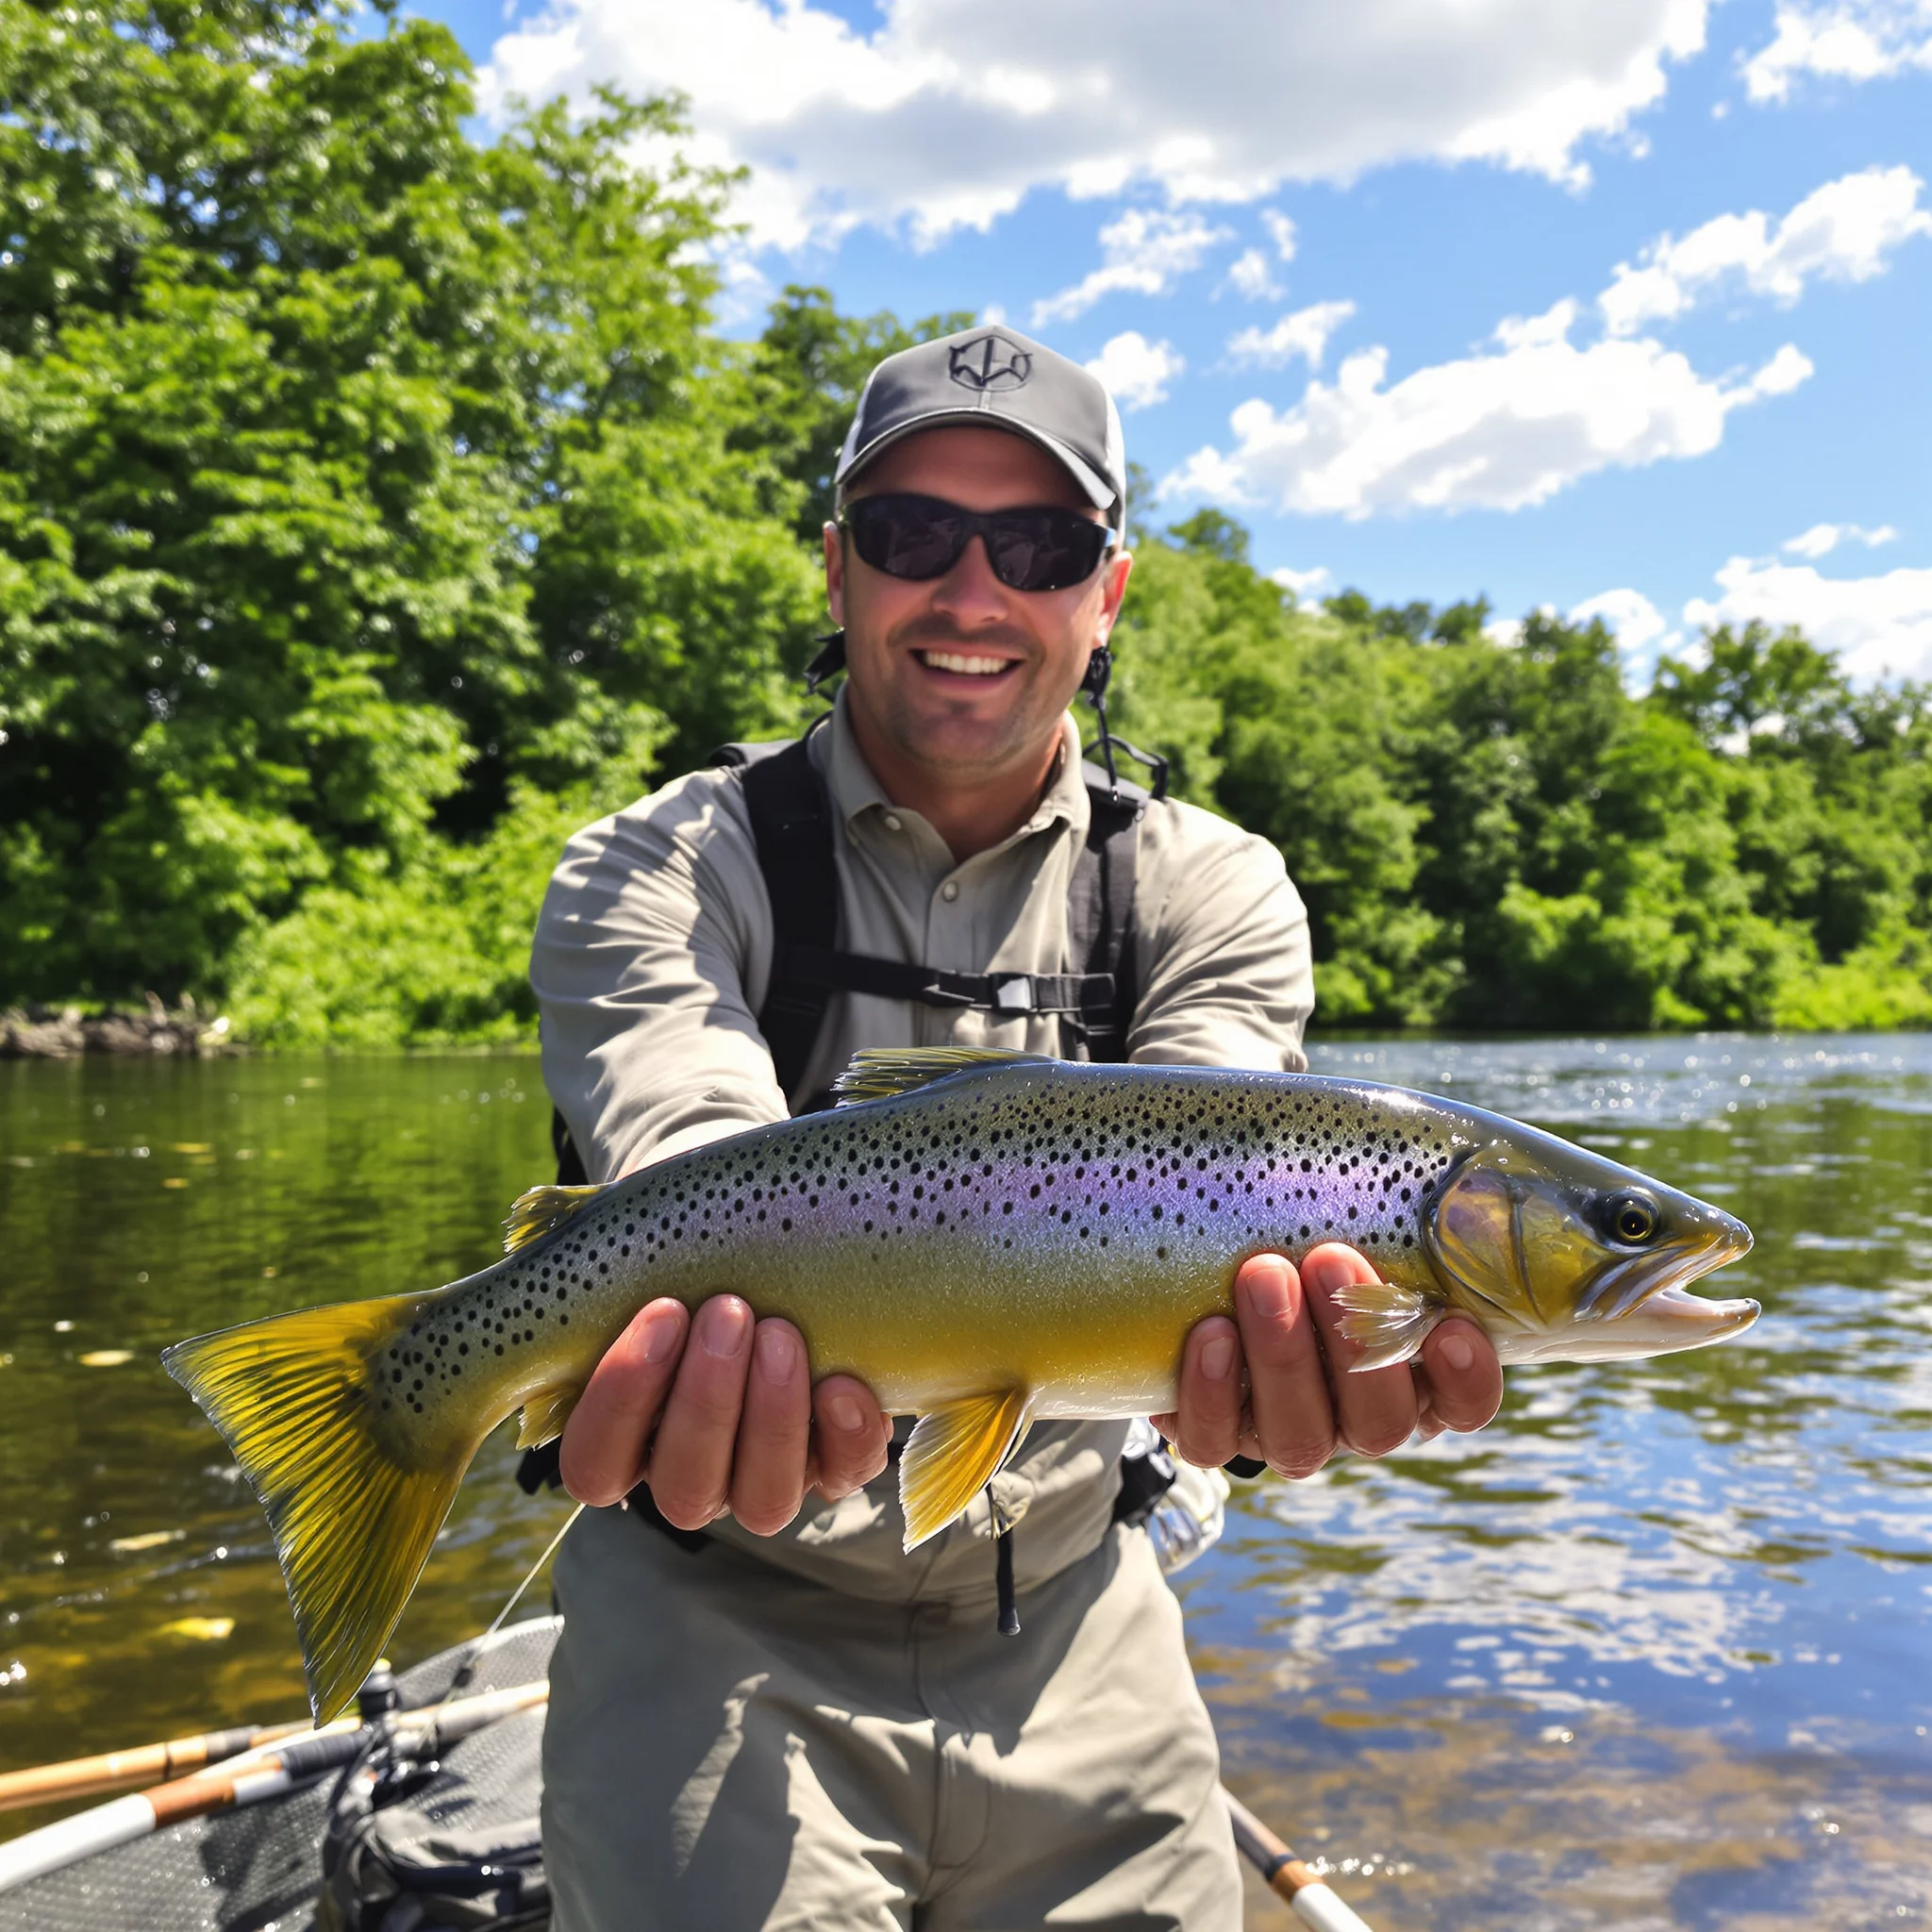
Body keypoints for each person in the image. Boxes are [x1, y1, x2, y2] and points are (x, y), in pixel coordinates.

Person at [529, 324, 1504, 1931]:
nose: (973, 596)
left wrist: (1279, 1387)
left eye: (1039, 546)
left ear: (1104, 595)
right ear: (838, 572)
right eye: (916, 536)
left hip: (1069, 1616)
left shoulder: (1208, 889)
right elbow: (689, 1156)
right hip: (713, 1602)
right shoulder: (659, 863)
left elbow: (1228, 1201)